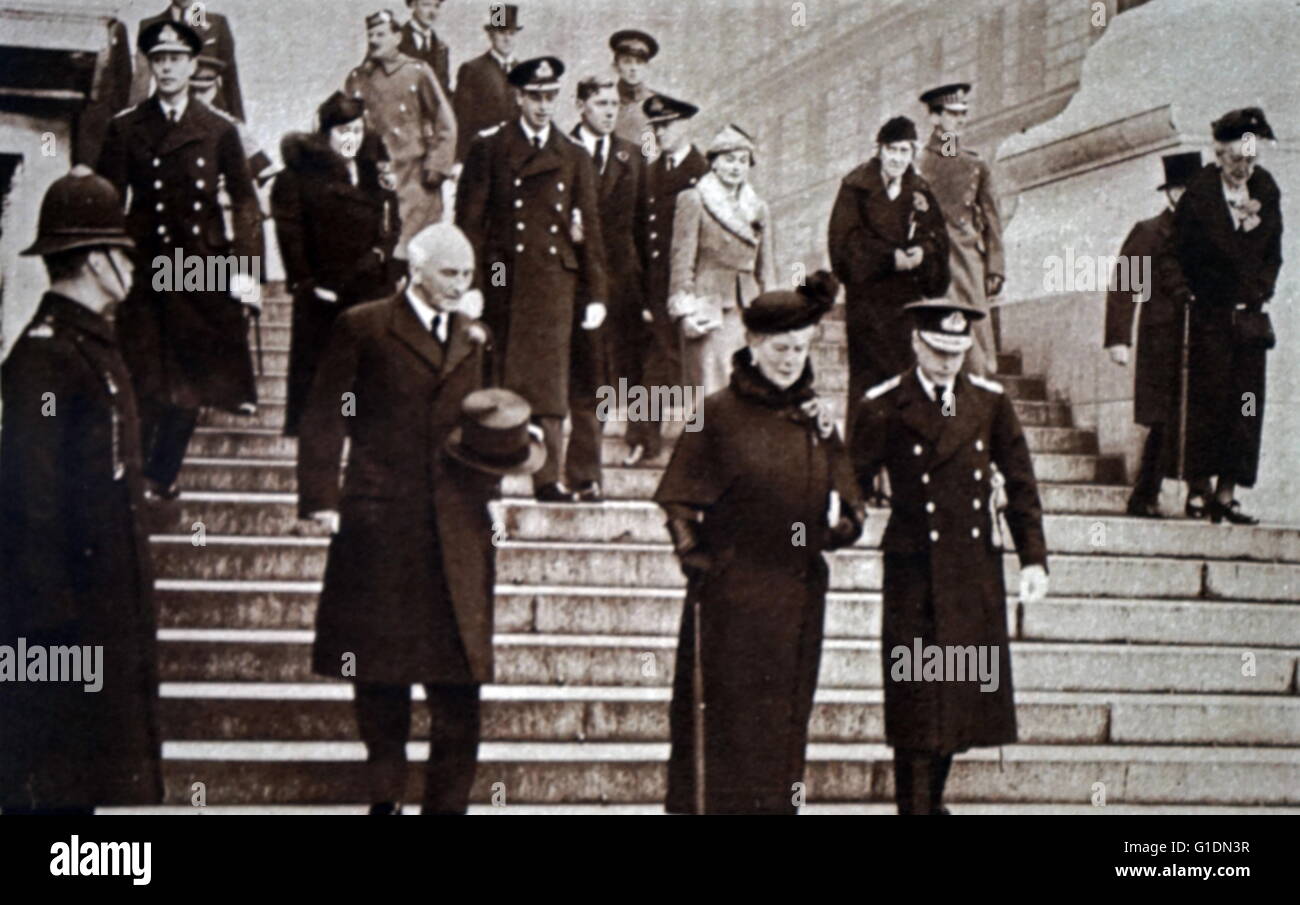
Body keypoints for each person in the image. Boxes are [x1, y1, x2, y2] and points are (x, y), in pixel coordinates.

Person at [297, 225, 533, 815]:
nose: (461, 285)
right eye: (450, 273)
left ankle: (446, 807)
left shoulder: (475, 336)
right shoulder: (365, 325)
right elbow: (325, 413)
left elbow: (490, 421)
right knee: (381, 671)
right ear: (417, 269)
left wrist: (495, 492)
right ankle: (386, 799)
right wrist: (321, 499)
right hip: (383, 522)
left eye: (468, 274)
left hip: (458, 523)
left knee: (461, 678)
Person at [654, 272, 864, 814]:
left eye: (800, 347)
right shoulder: (719, 412)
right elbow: (677, 499)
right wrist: (696, 559)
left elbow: (851, 504)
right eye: (780, 348)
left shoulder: (816, 417)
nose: (791, 359)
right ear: (752, 344)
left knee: (783, 726)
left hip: (796, 597)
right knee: (726, 725)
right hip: (731, 596)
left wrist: (842, 527)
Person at [0, 168, 162, 815]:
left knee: (80, 792)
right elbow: (28, 505)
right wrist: (55, 641)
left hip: (96, 616)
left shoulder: (92, 349)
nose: (131, 263)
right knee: (52, 787)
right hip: (60, 630)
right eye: (122, 252)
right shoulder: (46, 357)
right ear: (98, 261)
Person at [851, 299, 1049, 815]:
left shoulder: (989, 403)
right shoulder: (883, 404)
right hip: (915, 571)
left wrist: (1033, 558)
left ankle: (930, 804)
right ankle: (916, 810)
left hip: (972, 570)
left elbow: (1022, 483)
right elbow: (850, 481)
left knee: (958, 701)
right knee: (917, 699)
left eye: (956, 353)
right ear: (916, 342)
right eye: (938, 351)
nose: (946, 363)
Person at [98, 19, 262, 501]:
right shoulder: (125, 127)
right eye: (159, 59)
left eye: (176, 59)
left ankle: (160, 475)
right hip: (147, 266)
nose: (167, 68)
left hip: (200, 265)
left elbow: (246, 202)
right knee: (145, 376)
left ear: (193, 66)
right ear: (151, 65)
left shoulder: (218, 129)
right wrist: (109, 269)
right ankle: (137, 472)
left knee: (191, 380)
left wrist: (246, 274)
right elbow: (108, 202)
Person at [455, 56, 608, 503]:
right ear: (518, 98)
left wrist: (596, 291)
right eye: (535, 97)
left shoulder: (573, 154)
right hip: (505, 278)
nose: (543, 106)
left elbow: (590, 229)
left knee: (551, 383)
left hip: (557, 283)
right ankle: (491, 473)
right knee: (501, 378)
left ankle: (548, 478)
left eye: (550, 97)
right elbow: (471, 222)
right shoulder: (491, 148)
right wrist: (474, 284)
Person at [1160, 108, 1283, 525]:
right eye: (1236, 161)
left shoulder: (1266, 190)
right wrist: (1185, 295)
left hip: (1248, 322)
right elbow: (1170, 255)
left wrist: (1262, 288)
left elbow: (1273, 253)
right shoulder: (1199, 193)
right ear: (1219, 156)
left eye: (1250, 160)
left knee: (1246, 407)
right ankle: (1200, 489)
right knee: (1207, 405)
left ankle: (1229, 493)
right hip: (1209, 317)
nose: (1244, 169)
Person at [272, 92, 402, 436]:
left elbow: (391, 222)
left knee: (360, 369)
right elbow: (291, 235)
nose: (351, 140)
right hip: (323, 291)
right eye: (343, 132)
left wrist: (379, 255)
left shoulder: (373, 173)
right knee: (318, 368)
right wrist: (306, 282)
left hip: (368, 286)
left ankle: (353, 421)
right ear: (327, 134)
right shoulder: (299, 177)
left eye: (357, 132)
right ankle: (315, 431)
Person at [828, 115, 950, 428]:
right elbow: (844, 244)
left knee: (905, 383)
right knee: (868, 388)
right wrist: (890, 259)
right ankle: (860, 471)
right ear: (880, 150)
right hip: (867, 305)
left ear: (912, 154)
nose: (897, 159)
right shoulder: (855, 187)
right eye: (891, 150)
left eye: (904, 152)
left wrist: (923, 253)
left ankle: (902, 465)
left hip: (906, 305)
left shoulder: (921, 192)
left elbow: (938, 239)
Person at [1103, 152, 1200, 518]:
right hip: (1161, 338)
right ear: (1172, 194)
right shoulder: (1148, 231)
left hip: (1200, 338)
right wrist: (1119, 339)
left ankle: (1195, 496)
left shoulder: (1207, 234)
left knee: (1194, 416)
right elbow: (1125, 287)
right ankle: (1144, 494)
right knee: (1160, 419)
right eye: (1184, 190)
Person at [566, 74, 647, 502]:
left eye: (614, 104)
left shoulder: (630, 156)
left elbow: (641, 228)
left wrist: (647, 294)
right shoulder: (560, 152)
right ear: (581, 106)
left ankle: (586, 474)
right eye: (600, 103)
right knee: (580, 378)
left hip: (618, 283)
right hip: (568, 280)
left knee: (601, 378)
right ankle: (575, 472)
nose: (610, 111)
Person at [626, 93, 709, 465]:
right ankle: (645, 437)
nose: (661, 133)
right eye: (656, 127)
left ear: (685, 125)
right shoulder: (652, 172)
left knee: (695, 365)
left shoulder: (704, 171)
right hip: (659, 285)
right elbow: (643, 235)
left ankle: (697, 449)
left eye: (668, 125)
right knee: (657, 359)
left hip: (694, 284)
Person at [668, 124, 775, 398]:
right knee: (711, 390)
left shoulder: (758, 208)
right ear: (713, 163)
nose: (736, 167)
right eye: (728, 160)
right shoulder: (694, 199)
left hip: (748, 309)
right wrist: (684, 311)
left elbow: (767, 267)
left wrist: (773, 313)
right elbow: (682, 262)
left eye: (743, 161)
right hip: (708, 307)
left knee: (746, 389)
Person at [345, 9, 456, 259]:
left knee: (419, 253)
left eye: (381, 34)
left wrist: (437, 167)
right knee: (377, 253)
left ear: (397, 37)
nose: (374, 40)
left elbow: (445, 122)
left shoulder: (417, 71)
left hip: (416, 180)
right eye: (371, 34)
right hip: (373, 179)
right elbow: (344, 127)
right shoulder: (358, 78)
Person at [915, 83, 1004, 375]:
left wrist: (995, 267)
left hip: (967, 258)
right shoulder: (917, 162)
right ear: (935, 118)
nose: (962, 119)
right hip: (928, 258)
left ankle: (975, 391)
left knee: (976, 333)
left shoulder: (974, 163)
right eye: (953, 114)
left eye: (964, 113)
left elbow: (992, 218)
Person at [131, 0, 244, 120]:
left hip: (210, 109)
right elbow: (141, 80)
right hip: (167, 109)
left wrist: (238, 121)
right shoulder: (151, 25)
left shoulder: (217, 23)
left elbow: (230, 78)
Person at [453, 3, 522, 163]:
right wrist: (460, 160)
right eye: (502, 32)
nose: (507, 38)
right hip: (482, 152)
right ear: (491, 35)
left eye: (512, 33)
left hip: (515, 154)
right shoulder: (473, 69)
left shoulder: (523, 71)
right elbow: (463, 119)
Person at [609, 30, 660, 146]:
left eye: (639, 62)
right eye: (627, 62)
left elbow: (651, 150)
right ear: (616, 66)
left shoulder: (656, 103)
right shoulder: (606, 99)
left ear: (647, 67)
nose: (633, 68)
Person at [400, 0, 452, 95]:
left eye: (437, 6)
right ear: (413, 5)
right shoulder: (394, 41)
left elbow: (443, 90)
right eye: (426, 5)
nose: (432, 12)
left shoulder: (442, 48)